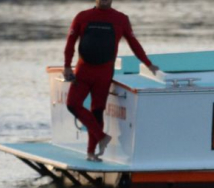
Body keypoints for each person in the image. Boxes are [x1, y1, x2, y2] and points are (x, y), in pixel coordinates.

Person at [63, 0, 159, 162]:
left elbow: (133, 43)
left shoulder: (120, 19)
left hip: (104, 72)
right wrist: (66, 66)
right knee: (72, 104)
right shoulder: (82, 16)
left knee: (97, 111)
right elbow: (70, 43)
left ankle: (91, 153)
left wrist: (148, 63)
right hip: (83, 71)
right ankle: (101, 136)